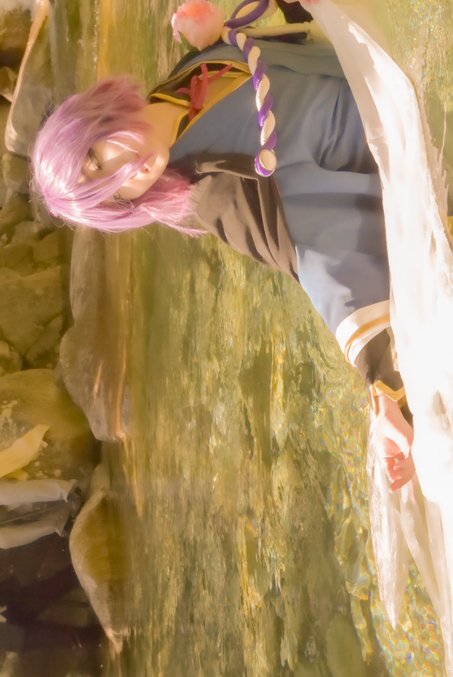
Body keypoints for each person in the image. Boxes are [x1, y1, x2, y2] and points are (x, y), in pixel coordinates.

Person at [31, 0, 415, 491]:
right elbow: (311, 256)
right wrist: (384, 388)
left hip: (389, 79)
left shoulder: (183, 80)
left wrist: (218, 36)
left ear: (93, 117)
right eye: (111, 192)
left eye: (95, 159)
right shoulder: (218, 193)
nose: (126, 174)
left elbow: (279, 59)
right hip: (408, 143)